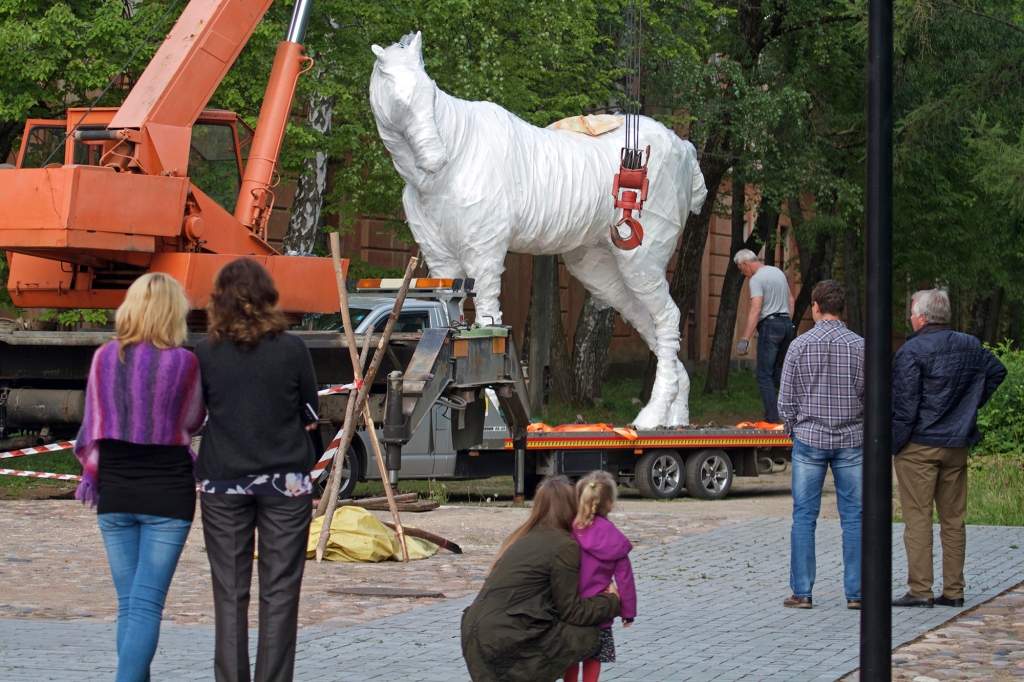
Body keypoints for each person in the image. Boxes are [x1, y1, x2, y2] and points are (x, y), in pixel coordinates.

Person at [73, 273, 206, 682]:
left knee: (130, 604)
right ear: (174, 313)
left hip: (115, 489)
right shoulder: (185, 362)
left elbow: (93, 422)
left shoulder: (105, 358)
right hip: (168, 494)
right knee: (145, 605)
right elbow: (193, 420)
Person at [196, 258, 320, 681]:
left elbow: (196, 414)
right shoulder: (293, 348)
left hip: (223, 479)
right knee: (280, 590)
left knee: (229, 593)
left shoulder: (206, 352)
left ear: (219, 300)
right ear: (270, 297)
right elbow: (310, 411)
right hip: (285, 482)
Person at [891, 289, 1006, 608]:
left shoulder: (911, 351)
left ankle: (920, 589)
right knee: (954, 519)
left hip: (919, 446)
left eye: (913, 312)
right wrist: (970, 406)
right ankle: (954, 591)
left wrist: (894, 443)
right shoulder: (970, 345)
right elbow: (998, 371)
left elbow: (905, 405)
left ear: (923, 317)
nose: (911, 317)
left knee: (918, 517)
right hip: (956, 443)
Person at [461, 477, 621, 682]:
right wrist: (613, 602)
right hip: (506, 642)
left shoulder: (521, 539)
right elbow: (573, 611)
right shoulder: (564, 545)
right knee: (590, 633)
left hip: (476, 641)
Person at [777, 280, 864, 610]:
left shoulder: (799, 346)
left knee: (803, 517)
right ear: (841, 309)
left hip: (809, 439)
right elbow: (870, 397)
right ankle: (856, 593)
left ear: (815, 306)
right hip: (851, 439)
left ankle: (802, 591)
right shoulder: (860, 346)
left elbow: (785, 400)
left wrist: (794, 430)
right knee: (854, 517)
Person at [563, 471, 636, 682]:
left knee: (571, 657)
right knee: (594, 658)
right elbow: (625, 579)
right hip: (600, 611)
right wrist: (627, 612)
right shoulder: (614, 538)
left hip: (571, 608)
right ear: (610, 504)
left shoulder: (570, 530)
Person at [734, 249, 796, 423]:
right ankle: (793, 412)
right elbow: (791, 300)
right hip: (786, 325)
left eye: (741, 269)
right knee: (779, 373)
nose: (743, 273)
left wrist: (745, 339)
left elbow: (756, 308)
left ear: (746, 263)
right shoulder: (778, 272)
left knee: (764, 375)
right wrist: (787, 322)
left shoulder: (756, 279)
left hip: (770, 327)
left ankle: (772, 418)